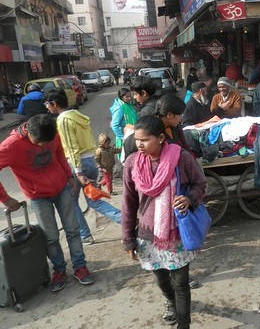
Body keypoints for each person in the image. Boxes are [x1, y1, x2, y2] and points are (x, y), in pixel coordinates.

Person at [122, 115, 207, 327]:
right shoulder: (132, 163)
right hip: (147, 234)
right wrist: (128, 238)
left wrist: (189, 199)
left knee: (180, 284)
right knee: (161, 280)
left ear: (161, 138)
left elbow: (200, 184)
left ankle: (183, 324)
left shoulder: (181, 158)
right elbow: (128, 203)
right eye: (137, 140)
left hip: (176, 233)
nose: (139, 144)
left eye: (145, 140)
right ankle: (171, 303)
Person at [0, 114, 94, 292]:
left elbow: (59, 153)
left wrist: (68, 176)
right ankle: (58, 270)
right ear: (29, 132)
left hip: (61, 189)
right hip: (38, 197)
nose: (44, 146)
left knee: (73, 230)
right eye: (39, 142)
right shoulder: (10, 146)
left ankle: (80, 267)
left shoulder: (52, 132)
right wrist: (5, 198)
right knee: (50, 236)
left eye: (47, 142)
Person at [45, 89, 122, 245]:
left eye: (47, 104)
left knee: (71, 202)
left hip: (77, 165)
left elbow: (71, 147)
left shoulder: (63, 120)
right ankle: (127, 220)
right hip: (90, 162)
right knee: (93, 200)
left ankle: (85, 235)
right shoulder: (77, 116)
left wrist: (78, 172)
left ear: (54, 104)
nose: (46, 107)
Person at [109, 87, 139, 154]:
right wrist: (123, 138)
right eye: (127, 97)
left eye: (130, 96)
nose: (129, 98)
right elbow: (114, 125)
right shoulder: (120, 108)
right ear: (121, 97)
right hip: (125, 137)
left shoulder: (129, 105)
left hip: (132, 136)